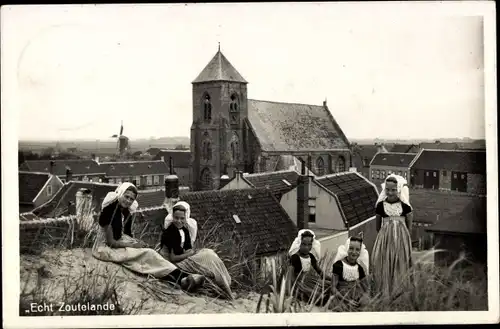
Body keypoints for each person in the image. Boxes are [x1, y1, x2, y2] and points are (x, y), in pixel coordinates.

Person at [92, 183, 204, 292]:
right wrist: (133, 245)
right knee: (147, 255)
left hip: (119, 242)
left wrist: (137, 242)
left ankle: (183, 278)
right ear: (120, 194)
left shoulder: (125, 212)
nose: (128, 201)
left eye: (131, 199)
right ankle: (182, 278)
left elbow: (125, 234)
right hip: (105, 248)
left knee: (149, 252)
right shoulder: (109, 211)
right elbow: (111, 242)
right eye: (126, 197)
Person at [159, 201, 233, 300]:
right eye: (176, 218)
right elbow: (173, 258)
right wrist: (189, 254)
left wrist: (190, 253)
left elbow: (188, 248)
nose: (179, 221)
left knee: (209, 252)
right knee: (208, 257)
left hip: (182, 258)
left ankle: (226, 284)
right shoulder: (170, 232)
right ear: (173, 217)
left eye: (182, 218)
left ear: (186, 218)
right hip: (172, 264)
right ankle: (226, 290)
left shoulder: (185, 230)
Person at [371, 174, 414, 299]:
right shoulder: (380, 206)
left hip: (401, 239)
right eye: (387, 189)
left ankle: (399, 293)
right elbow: (378, 226)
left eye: (393, 190)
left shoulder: (405, 206)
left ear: (398, 189)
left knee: (399, 263)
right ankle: (384, 293)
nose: (390, 193)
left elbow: (409, 227)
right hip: (385, 239)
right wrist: (386, 236)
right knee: (385, 263)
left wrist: (403, 239)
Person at [287, 229, 331, 305]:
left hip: (311, 280)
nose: (307, 247)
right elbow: (290, 277)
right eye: (304, 244)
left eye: (309, 244)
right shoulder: (295, 258)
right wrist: (291, 293)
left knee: (330, 286)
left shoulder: (310, 256)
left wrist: (331, 279)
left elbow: (320, 272)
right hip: (301, 283)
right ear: (299, 244)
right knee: (318, 295)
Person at [330, 235, 370, 310]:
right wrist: (347, 300)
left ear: (360, 252)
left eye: (357, 250)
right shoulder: (339, 265)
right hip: (341, 298)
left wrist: (364, 298)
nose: (354, 252)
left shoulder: (359, 268)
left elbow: (366, 288)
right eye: (351, 248)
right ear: (346, 249)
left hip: (356, 298)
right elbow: (333, 288)